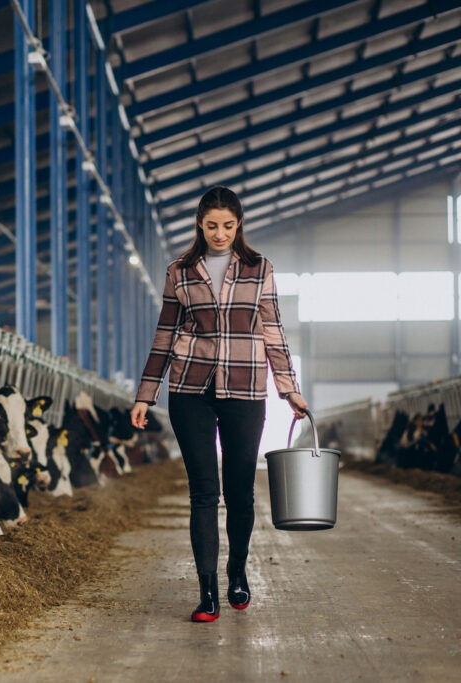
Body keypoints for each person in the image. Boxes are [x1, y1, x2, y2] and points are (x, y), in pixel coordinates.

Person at [130, 186, 308, 623]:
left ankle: (237, 573)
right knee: (204, 493)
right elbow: (164, 335)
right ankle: (207, 592)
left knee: (240, 492)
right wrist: (145, 393)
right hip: (189, 388)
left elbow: (273, 332)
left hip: (246, 389)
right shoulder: (180, 271)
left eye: (228, 225)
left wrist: (289, 389)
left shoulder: (259, 268)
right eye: (212, 225)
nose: (220, 234)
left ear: (239, 224)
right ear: (199, 224)